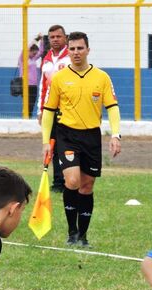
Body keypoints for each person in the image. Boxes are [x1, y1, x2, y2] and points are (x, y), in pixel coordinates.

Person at [41, 31, 121, 248]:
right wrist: (45, 142)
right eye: (72, 49)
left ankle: (83, 236)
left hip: (91, 137)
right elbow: (48, 111)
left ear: (88, 50)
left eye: (80, 48)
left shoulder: (101, 77)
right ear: (69, 50)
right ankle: (71, 231)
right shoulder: (59, 78)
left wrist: (115, 135)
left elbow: (112, 107)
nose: (76, 52)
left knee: (86, 186)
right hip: (67, 135)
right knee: (72, 181)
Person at [37, 24, 71, 193]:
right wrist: (40, 109)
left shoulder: (71, 57)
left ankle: (71, 180)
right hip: (50, 110)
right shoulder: (47, 59)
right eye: (52, 37)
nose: (55, 40)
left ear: (65, 38)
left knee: (69, 145)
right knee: (53, 145)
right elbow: (43, 87)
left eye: (58, 36)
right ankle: (58, 182)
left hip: (68, 110)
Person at [16, 33, 45, 117]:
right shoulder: (22, 59)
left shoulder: (34, 59)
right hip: (25, 85)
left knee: (31, 105)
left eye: (35, 53)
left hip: (34, 86)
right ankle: (25, 119)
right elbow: (26, 48)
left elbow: (41, 51)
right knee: (27, 105)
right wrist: (37, 39)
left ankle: (28, 119)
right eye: (33, 53)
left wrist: (42, 40)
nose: (35, 55)